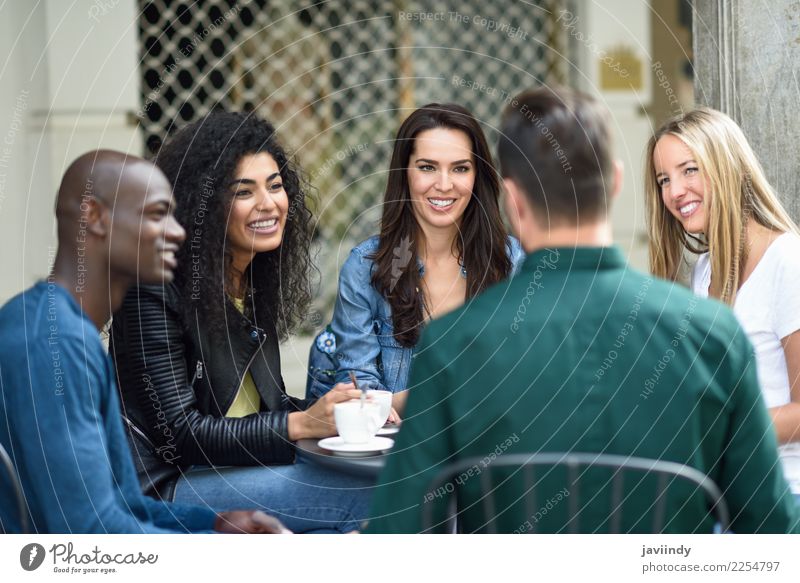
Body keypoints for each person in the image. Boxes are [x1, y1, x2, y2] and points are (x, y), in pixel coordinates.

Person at [365, 87, 800, 533]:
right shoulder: (712, 335)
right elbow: (770, 530)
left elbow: (398, 535)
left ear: (512, 200)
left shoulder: (453, 347)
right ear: (614, 182)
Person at [110, 112, 371, 534]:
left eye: (275, 185)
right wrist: (300, 423)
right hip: (167, 488)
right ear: (204, 206)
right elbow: (181, 433)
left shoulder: (251, 282)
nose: (268, 204)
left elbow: (266, 411)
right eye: (244, 192)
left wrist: (356, 410)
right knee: (362, 495)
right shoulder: (153, 289)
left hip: (233, 473)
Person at [0, 150, 287, 533]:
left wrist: (217, 524)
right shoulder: (50, 342)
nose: (178, 231)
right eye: (156, 215)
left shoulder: (73, 331)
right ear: (95, 217)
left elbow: (125, 505)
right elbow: (90, 535)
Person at [306, 103, 524, 404]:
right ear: (404, 173)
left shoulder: (514, 262)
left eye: (460, 168)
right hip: (396, 449)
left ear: (477, 177)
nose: (444, 185)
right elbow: (357, 390)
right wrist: (441, 398)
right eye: (427, 167)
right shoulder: (365, 268)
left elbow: (527, 377)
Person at [645, 107, 800, 502]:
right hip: (723, 499)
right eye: (664, 179)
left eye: (689, 170)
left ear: (727, 166)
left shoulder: (787, 260)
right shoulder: (704, 271)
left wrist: (717, 428)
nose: (675, 191)